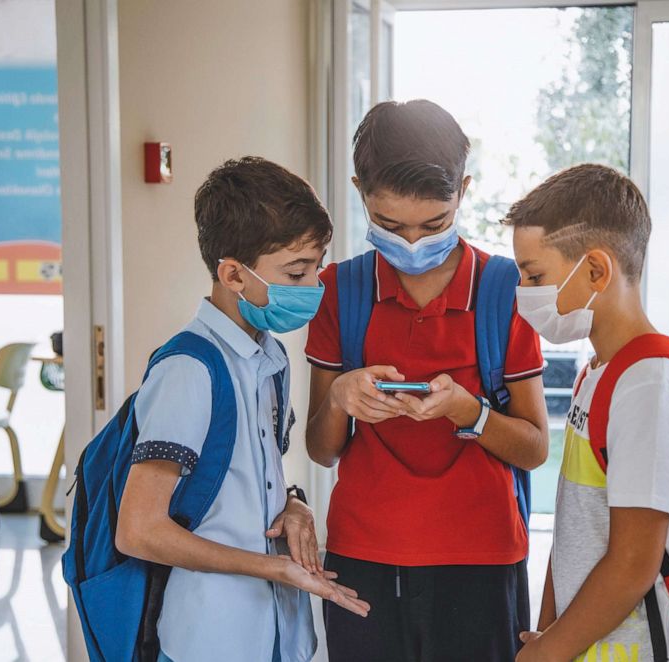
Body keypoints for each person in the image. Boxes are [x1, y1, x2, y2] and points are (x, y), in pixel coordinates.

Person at [305, 100, 550, 662]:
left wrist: (471, 412)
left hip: (482, 561)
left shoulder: (502, 288)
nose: (412, 242)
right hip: (362, 559)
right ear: (358, 189)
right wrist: (342, 396)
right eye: (389, 225)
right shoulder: (339, 291)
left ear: (463, 190)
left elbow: (535, 448)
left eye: (434, 224)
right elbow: (322, 450)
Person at [113, 157, 370, 662]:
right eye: (297, 272)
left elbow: (246, 482)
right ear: (233, 274)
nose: (314, 286)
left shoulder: (267, 358)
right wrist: (272, 567)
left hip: (274, 633)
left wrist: (293, 504)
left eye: (317, 267)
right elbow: (139, 529)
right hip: (211, 638)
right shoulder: (189, 368)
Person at [506, 164, 669, 662]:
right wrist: (548, 634)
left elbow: (632, 564)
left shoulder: (652, 386)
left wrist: (548, 652)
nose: (524, 293)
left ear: (597, 271)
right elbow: (574, 528)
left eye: (535, 276)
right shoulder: (599, 371)